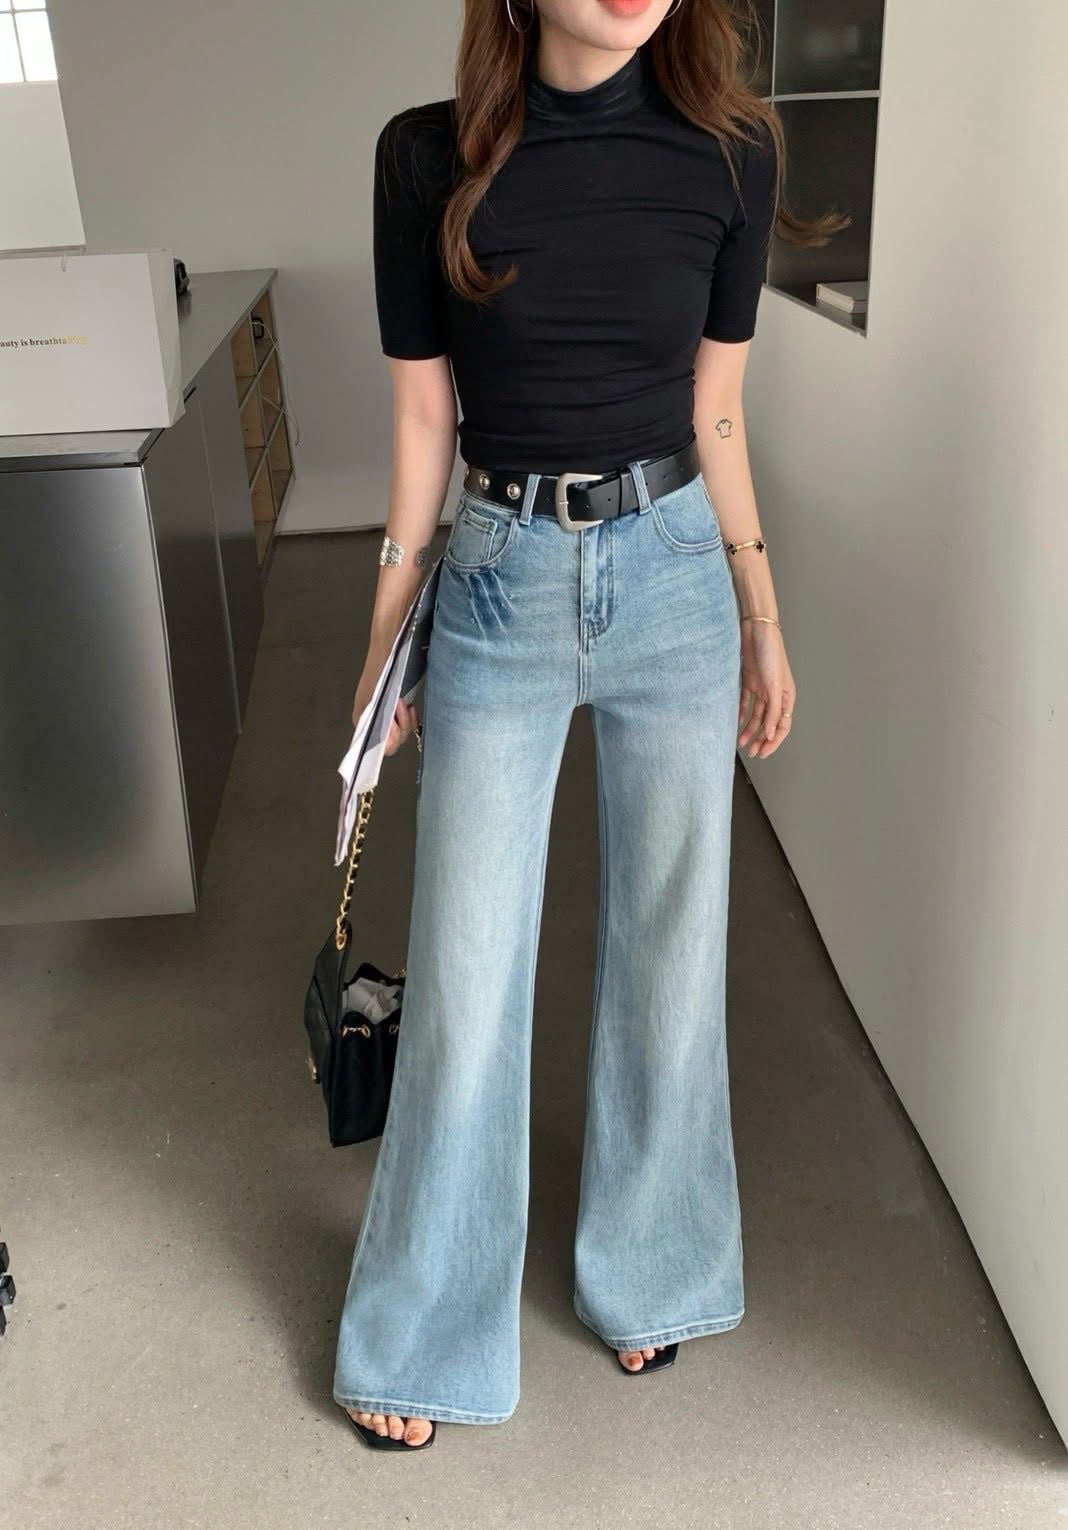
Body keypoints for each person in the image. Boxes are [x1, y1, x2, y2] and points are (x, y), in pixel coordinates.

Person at [334, 0, 837, 1452]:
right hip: (497, 574)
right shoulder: (426, 159)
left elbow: (717, 410)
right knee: (469, 966)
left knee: (673, 943)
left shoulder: (733, 155)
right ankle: (427, 1326)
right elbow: (423, 424)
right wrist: (385, 638)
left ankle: (655, 1263)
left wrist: (761, 608)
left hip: (674, 571)